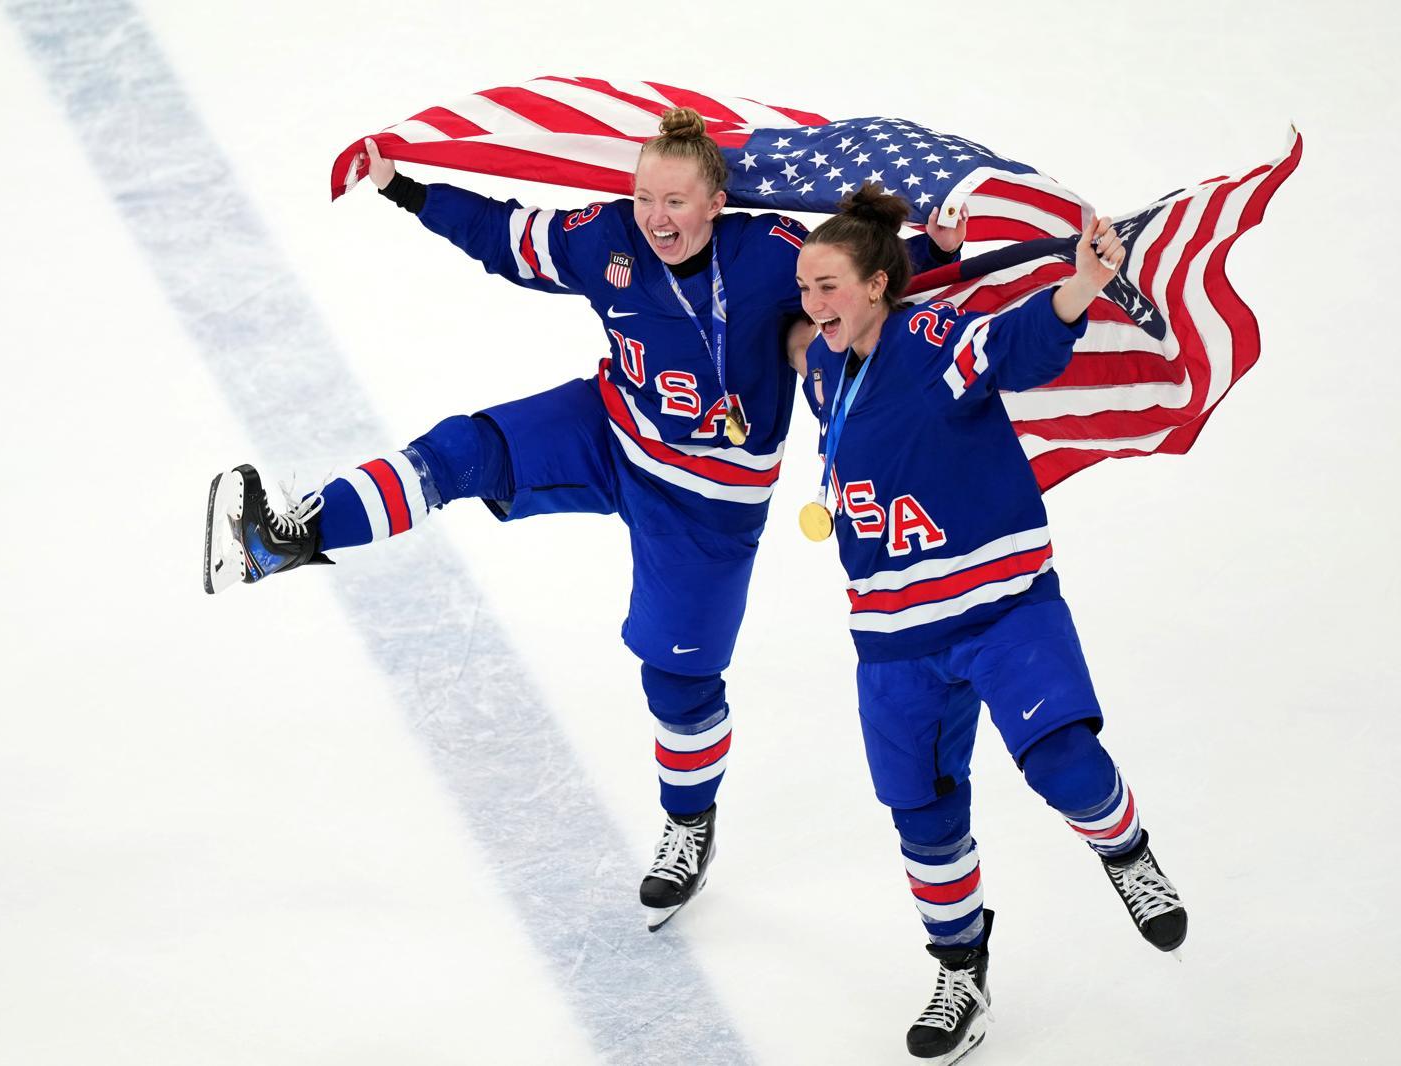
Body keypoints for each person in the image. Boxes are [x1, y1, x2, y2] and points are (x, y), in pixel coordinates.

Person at [203, 110, 963, 930]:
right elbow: (506, 237)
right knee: (462, 451)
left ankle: (687, 823)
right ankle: (284, 539)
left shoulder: (770, 253)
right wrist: (404, 188)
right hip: (608, 429)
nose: (656, 217)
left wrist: (939, 252)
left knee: (677, 680)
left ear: (716, 202)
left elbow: (857, 282)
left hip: (709, 502)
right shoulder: (605, 237)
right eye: (644, 197)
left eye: (676, 200)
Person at [793, 185, 1186, 1065]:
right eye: (805, 288)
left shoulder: (935, 342)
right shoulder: (823, 365)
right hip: (893, 638)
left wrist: (1080, 287)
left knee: (1067, 763)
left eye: (828, 287)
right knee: (925, 819)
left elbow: (1015, 342)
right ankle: (961, 970)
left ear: (878, 288)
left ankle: (1126, 852)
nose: (813, 305)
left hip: (1001, 606)